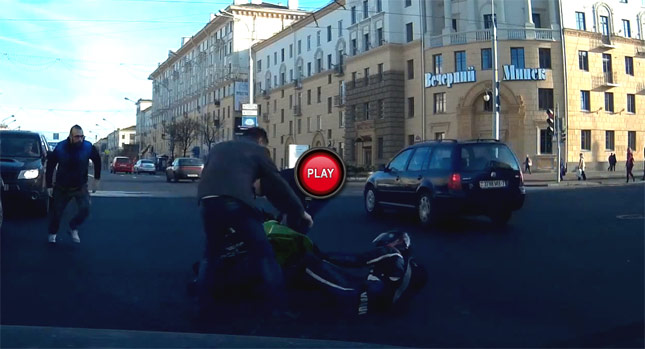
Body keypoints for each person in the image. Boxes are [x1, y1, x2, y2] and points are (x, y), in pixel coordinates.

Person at [195, 127, 313, 314]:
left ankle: (202, 306)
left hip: (207, 201)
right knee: (264, 254)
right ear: (260, 140)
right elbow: (277, 184)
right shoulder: (258, 151)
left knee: (211, 255)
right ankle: (279, 309)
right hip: (236, 202)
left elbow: (213, 173)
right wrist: (298, 211)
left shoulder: (219, 147)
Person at [46, 125, 101, 244]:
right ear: (70, 136)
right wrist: (49, 185)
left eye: (82, 136)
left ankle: (73, 226)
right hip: (62, 186)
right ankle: (53, 233)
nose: (80, 139)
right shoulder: (61, 147)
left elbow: (97, 160)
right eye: (77, 137)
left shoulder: (87, 147)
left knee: (85, 208)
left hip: (80, 185)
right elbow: (50, 164)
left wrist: (96, 179)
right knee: (56, 212)